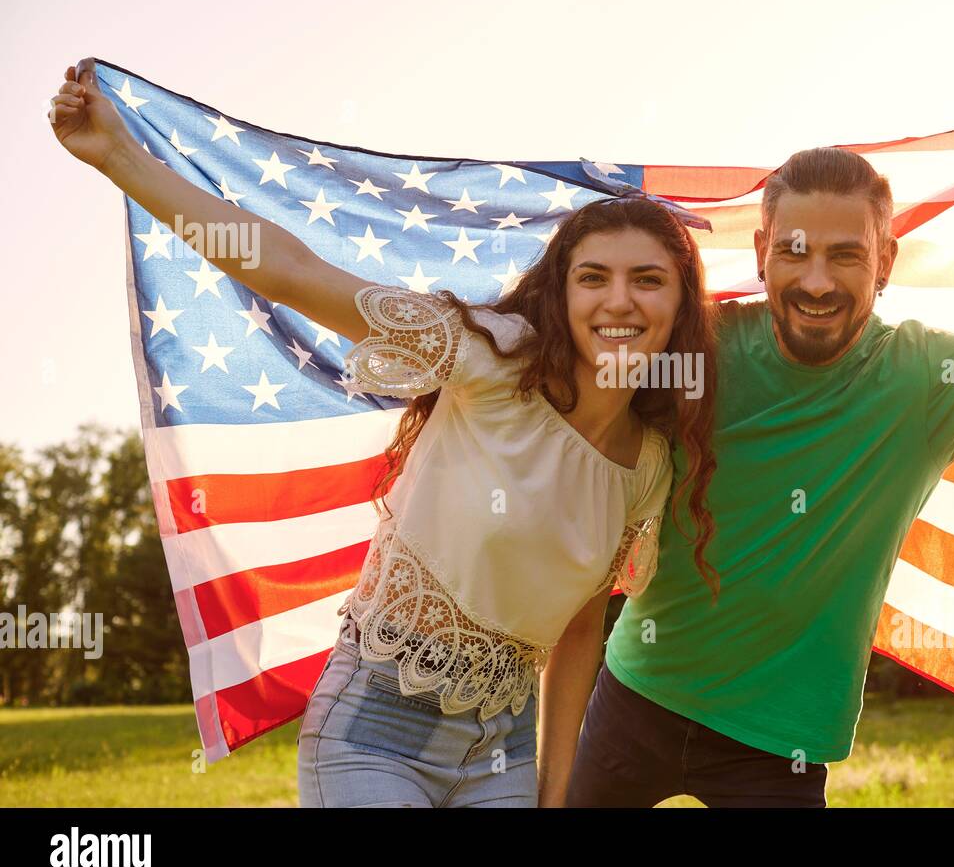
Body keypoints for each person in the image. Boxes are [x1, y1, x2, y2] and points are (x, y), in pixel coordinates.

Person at [48, 58, 720, 808]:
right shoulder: (489, 357)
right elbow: (293, 272)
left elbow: (581, 624)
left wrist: (556, 794)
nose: (618, 301)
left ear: (681, 302)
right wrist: (119, 158)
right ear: (561, 292)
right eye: (593, 277)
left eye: (648, 279)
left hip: (502, 748)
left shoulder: (649, 464)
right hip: (373, 726)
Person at [564, 57, 954, 807]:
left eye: (847, 255)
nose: (816, 281)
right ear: (762, 254)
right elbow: (563, 367)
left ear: (886, 263)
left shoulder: (927, 380)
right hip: (635, 698)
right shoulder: (691, 347)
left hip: (780, 745)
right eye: (795, 252)